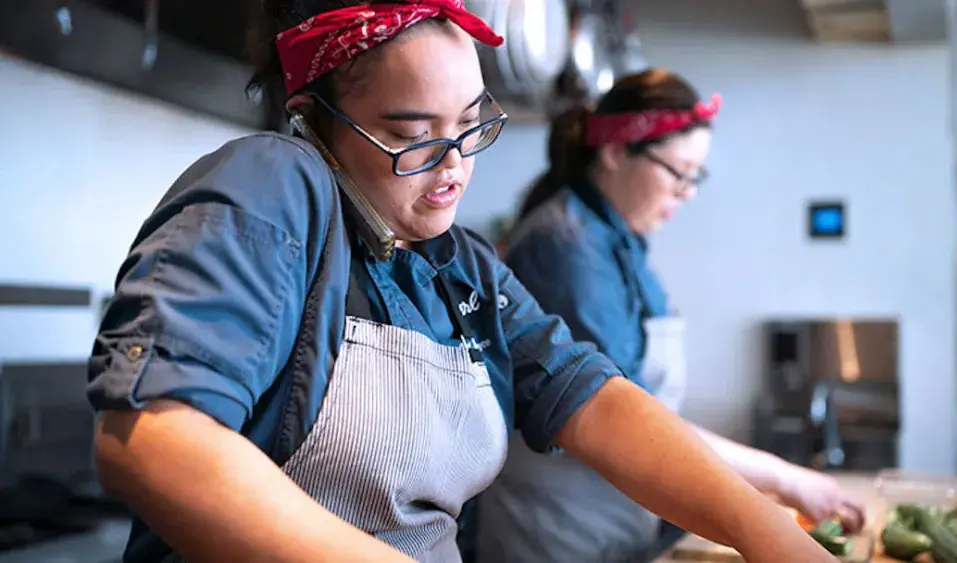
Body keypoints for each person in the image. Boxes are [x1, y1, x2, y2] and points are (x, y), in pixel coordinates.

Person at [85, 1, 841, 561]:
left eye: (471, 125)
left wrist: (761, 525)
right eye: (415, 137)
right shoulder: (272, 188)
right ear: (315, 119)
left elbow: (592, 398)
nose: (454, 167)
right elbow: (152, 442)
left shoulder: (459, 264)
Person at [475, 69, 867, 563]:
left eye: (695, 176)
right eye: (678, 171)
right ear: (616, 152)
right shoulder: (566, 249)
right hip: (558, 527)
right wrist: (782, 480)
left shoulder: (619, 241)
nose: (688, 192)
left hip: (610, 514)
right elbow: (622, 410)